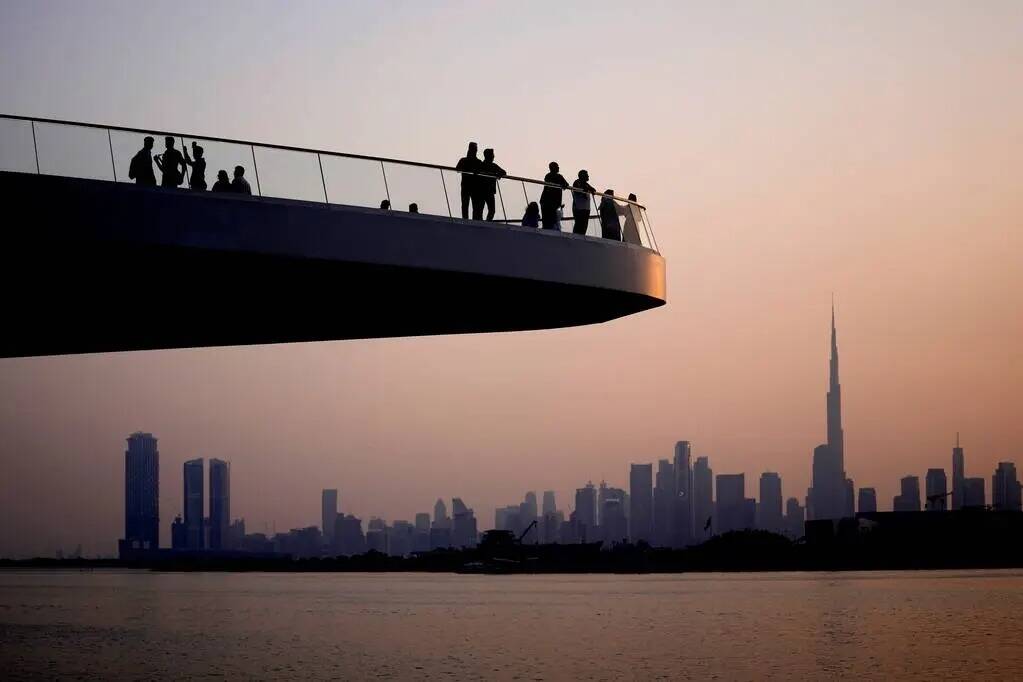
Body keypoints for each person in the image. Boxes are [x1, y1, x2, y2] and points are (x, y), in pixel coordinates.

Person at [539, 162, 569, 230]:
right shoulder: (550, 176)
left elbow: (566, 185)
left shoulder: (557, 176)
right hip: (547, 202)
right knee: (548, 220)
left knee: (549, 221)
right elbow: (564, 185)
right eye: (557, 166)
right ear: (552, 168)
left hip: (550, 202)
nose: (558, 168)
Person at [455, 142, 481, 219]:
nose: (475, 150)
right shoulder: (477, 162)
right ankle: (471, 220)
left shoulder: (465, 160)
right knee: (470, 204)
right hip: (471, 186)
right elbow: (458, 169)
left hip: (470, 186)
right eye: (475, 149)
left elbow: (457, 168)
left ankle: (467, 219)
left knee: (469, 204)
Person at [478, 148, 506, 221]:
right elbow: (503, 172)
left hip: (483, 191)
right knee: (490, 210)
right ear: (489, 156)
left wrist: (498, 174)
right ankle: (487, 222)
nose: (493, 156)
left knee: (481, 209)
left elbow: (504, 172)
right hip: (487, 191)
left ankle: (483, 223)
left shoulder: (482, 165)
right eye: (492, 155)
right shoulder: (492, 166)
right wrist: (498, 175)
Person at [571, 169, 595, 235]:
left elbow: (593, 189)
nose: (588, 176)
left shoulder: (586, 184)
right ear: (582, 176)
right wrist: (585, 189)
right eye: (587, 175)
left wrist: (590, 189)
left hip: (586, 209)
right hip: (579, 208)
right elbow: (577, 190)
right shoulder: (577, 182)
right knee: (578, 226)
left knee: (584, 226)